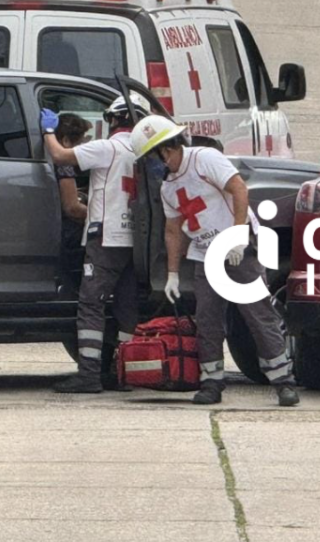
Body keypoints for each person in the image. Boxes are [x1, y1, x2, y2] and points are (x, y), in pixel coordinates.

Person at [131, 115, 299, 408]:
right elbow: (173, 230)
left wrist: (237, 236)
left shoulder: (205, 159)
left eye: (152, 158)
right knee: (208, 321)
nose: (153, 166)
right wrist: (172, 274)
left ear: (166, 150)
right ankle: (211, 382)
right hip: (205, 254)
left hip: (237, 249)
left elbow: (239, 190)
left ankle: (283, 381)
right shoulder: (168, 188)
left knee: (258, 315)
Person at [41, 95, 146, 393]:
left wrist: (48, 131)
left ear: (114, 119)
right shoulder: (143, 152)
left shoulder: (107, 147)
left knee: (91, 304)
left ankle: (88, 374)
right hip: (135, 239)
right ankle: (125, 372)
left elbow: (60, 156)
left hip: (106, 238)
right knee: (127, 306)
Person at [54, 113, 92, 297]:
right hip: (68, 234)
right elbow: (72, 208)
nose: (83, 147)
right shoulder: (64, 164)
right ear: (66, 141)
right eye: (80, 142)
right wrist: (101, 215)